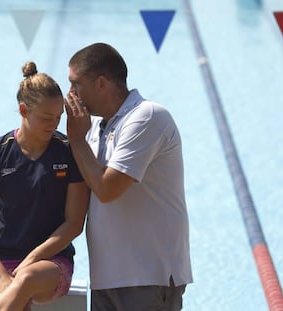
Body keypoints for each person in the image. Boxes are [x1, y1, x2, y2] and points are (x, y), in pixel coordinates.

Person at [64, 43, 193, 311]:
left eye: (75, 84)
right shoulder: (94, 129)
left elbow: (107, 189)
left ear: (101, 83)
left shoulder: (147, 116)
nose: (70, 94)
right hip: (107, 278)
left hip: (146, 276)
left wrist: (75, 139)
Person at [0, 61, 89, 311]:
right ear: (24, 110)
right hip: (3, 264)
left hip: (52, 263)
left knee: (25, 280)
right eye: (46, 117)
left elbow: (74, 223)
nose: (54, 125)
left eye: (58, 118)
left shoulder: (68, 152)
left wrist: (33, 258)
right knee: (18, 296)